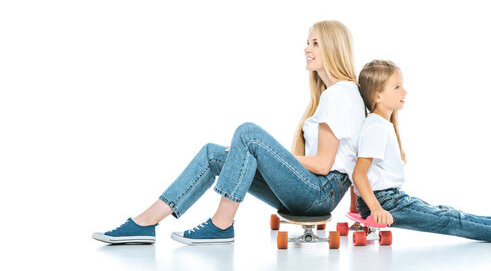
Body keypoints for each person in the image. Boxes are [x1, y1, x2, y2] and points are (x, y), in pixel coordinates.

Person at [93, 20, 366, 245]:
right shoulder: (337, 94)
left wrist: (262, 152)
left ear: (332, 48)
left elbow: (322, 164)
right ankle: (145, 223)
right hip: (313, 192)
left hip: (318, 194)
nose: (307, 48)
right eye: (308, 42)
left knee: (248, 133)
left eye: (315, 43)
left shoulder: (340, 94)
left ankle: (221, 224)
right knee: (214, 153)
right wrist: (245, 156)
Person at [351, 59, 491, 243]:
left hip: (392, 198)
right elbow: (358, 174)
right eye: (397, 87)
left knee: (447, 213)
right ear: (378, 95)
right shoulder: (376, 127)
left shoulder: (381, 124)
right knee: (448, 220)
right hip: (386, 202)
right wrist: (376, 209)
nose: (404, 92)